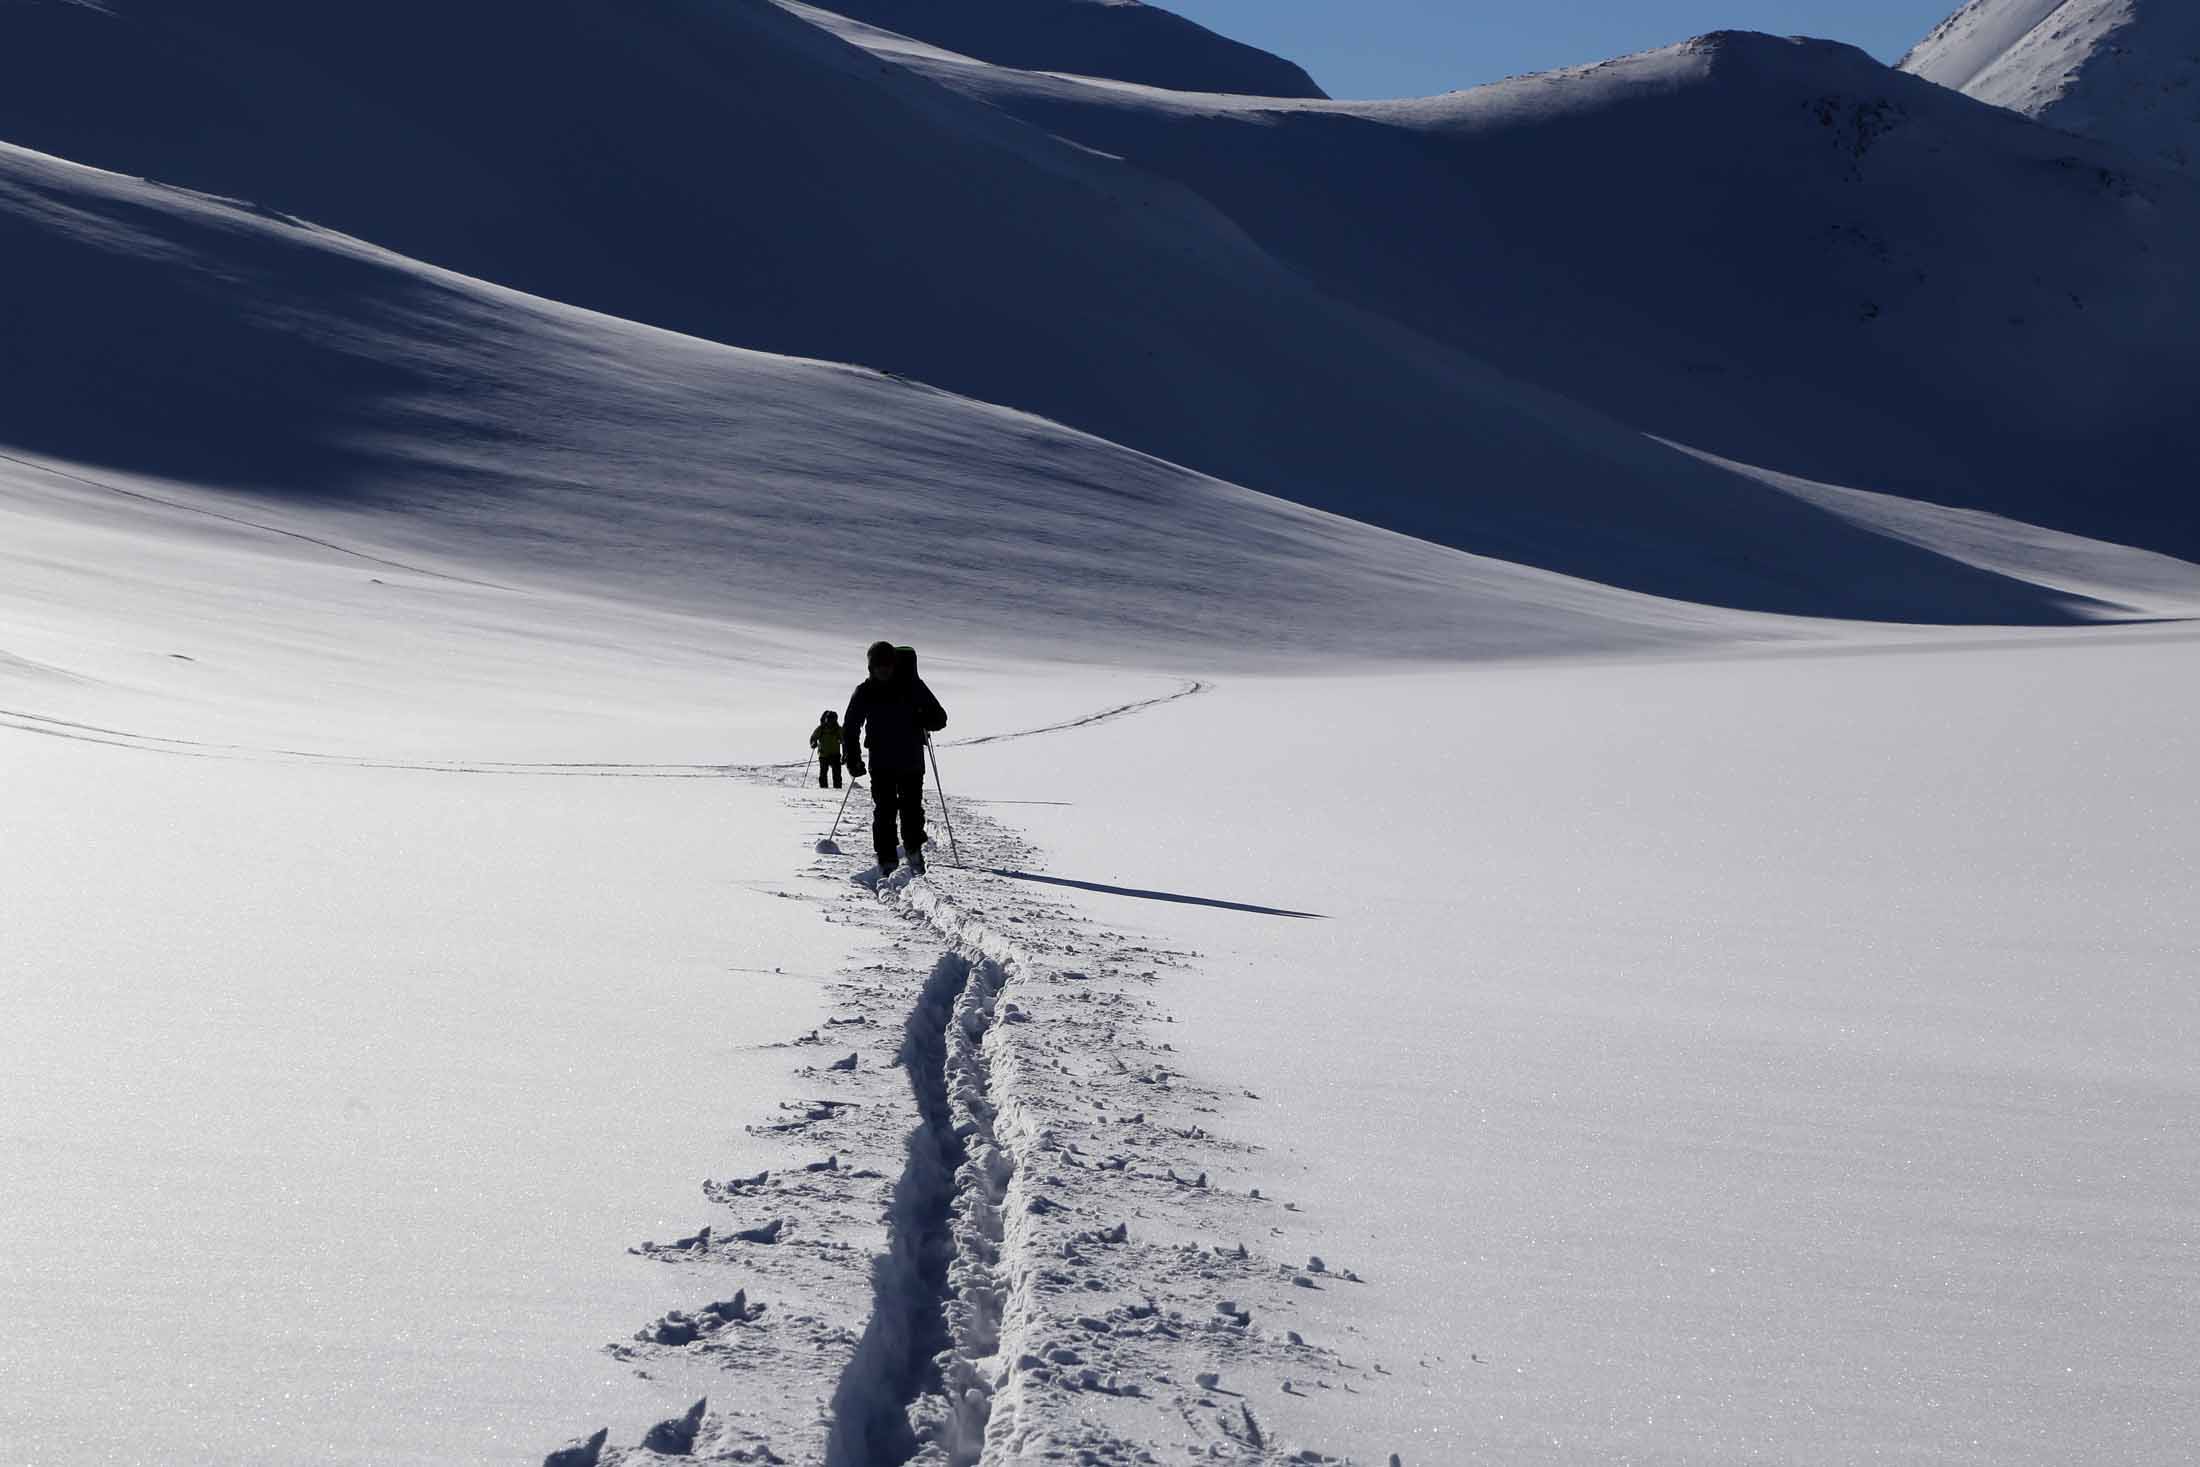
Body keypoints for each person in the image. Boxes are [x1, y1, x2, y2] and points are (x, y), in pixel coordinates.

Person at [843, 640, 947, 876]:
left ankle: (913, 849)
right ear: (871, 667)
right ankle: (887, 857)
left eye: (887, 665)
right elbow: (850, 726)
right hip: (882, 762)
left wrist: (922, 718)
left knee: (911, 809)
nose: (884, 670)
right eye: (879, 666)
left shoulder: (912, 686)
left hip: (910, 760)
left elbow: (940, 718)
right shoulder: (865, 691)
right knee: (885, 811)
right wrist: (852, 758)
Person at [809, 710, 843, 789]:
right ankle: (829, 790)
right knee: (828, 774)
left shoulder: (835, 729)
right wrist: (813, 743)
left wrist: (813, 743)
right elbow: (813, 738)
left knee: (832, 774)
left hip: (830, 754)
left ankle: (830, 789)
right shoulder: (824, 729)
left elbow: (843, 739)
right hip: (827, 754)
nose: (830, 721)